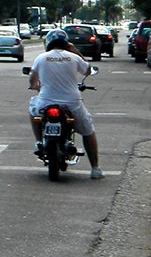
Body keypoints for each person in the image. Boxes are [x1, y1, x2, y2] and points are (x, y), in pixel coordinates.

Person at [27, 28, 102, 179]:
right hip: (72, 102)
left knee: (32, 110)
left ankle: (38, 142)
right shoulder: (73, 57)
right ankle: (95, 169)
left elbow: (32, 80)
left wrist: (36, 86)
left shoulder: (41, 58)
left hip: (45, 101)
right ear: (66, 43)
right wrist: (75, 51)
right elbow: (88, 71)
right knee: (88, 131)